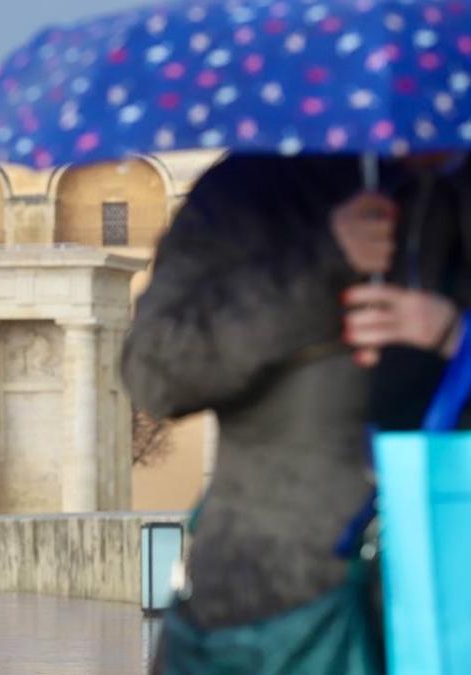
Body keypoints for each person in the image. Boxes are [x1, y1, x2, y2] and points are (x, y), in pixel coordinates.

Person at [123, 153, 471, 672]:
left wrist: (456, 335)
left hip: (450, 605)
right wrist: (323, 260)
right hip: (269, 611)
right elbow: (156, 372)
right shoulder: (251, 190)